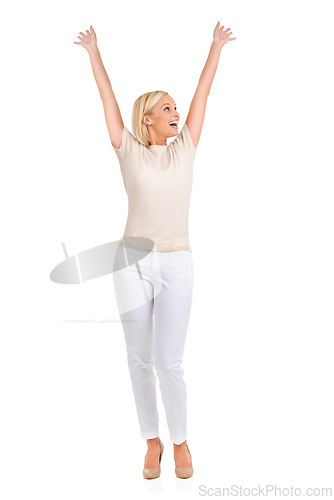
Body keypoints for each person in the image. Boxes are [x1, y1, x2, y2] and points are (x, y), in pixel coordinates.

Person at [74, 21, 236, 479]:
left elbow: (203, 92)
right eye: (167, 108)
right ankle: (152, 442)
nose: (176, 111)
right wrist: (94, 53)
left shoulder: (185, 147)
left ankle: (181, 441)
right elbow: (107, 98)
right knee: (138, 358)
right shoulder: (127, 148)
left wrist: (215, 46)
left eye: (176, 107)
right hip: (131, 262)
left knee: (170, 360)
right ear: (146, 118)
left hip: (177, 261)